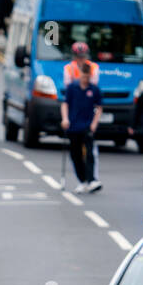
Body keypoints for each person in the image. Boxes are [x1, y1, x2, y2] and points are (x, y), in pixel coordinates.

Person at [60, 51, 103, 194]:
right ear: (80, 75)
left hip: (87, 126)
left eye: (87, 76)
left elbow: (99, 107)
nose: (85, 79)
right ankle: (82, 180)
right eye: (83, 76)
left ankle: (92, 180)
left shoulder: (94, 89)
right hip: (73, 125)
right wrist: (65, 119)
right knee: (75, 155)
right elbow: (65, 104)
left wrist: (94, 123)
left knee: (90, 153)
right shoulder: (72, 88)